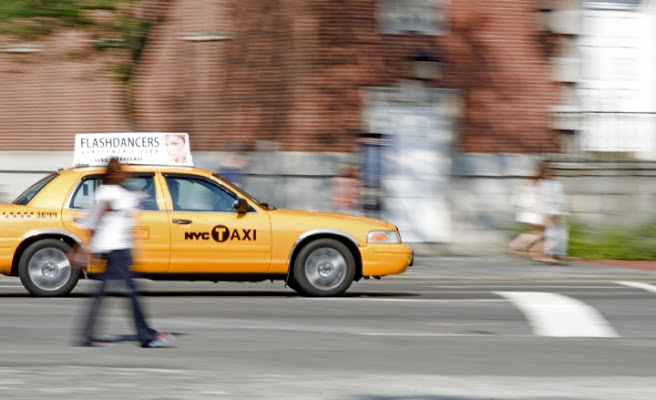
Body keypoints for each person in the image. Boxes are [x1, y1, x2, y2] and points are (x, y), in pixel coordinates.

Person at [77, 158, 176, 347]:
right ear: (114, 174)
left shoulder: (113, 192)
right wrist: (85, 249)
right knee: (131, 292)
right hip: (114, 250)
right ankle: (146, 336)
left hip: (114, 249)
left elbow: (130, 200)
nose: (124, 173)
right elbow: (94, 218)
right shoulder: (110, 193)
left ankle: (87, 335)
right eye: (121, 171)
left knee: (102, 293)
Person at [508, 161, 568, 264]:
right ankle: (516, 244)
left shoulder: (536, 182)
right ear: (545, 172)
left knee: (541, 233)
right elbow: (543, 201)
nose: (551, 173)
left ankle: (538, 255)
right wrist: (547, 215)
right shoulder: (543, 184)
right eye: (550, 171)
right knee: (547, 234)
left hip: (532, 213)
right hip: (538, 213)